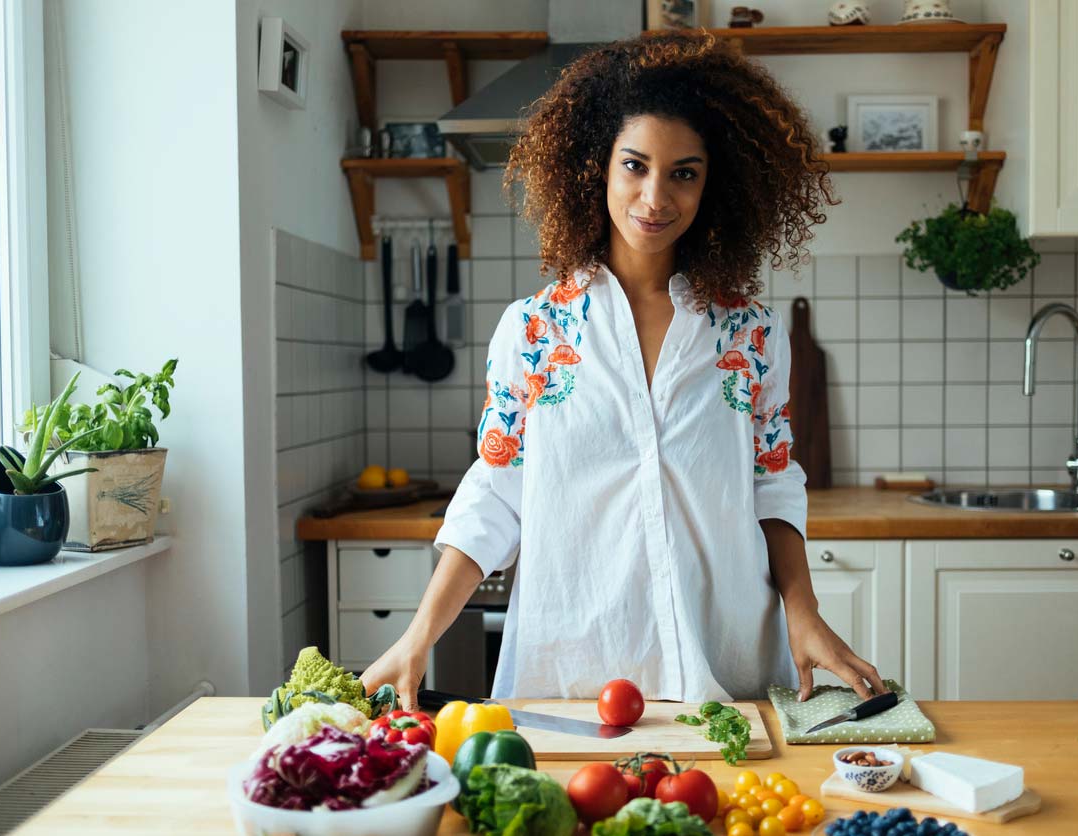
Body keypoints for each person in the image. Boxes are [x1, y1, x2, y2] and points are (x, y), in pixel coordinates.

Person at [362, 31, 886, 709]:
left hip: (725, 672)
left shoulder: (748, 333)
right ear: (596, 168)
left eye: (684, 172)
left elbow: (772, 483)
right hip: (572, 676)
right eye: (635, 165)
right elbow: (494, 493)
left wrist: (803, 609)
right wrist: (419, 634)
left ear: (712, 186)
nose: (655, 196)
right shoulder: (532, 332)